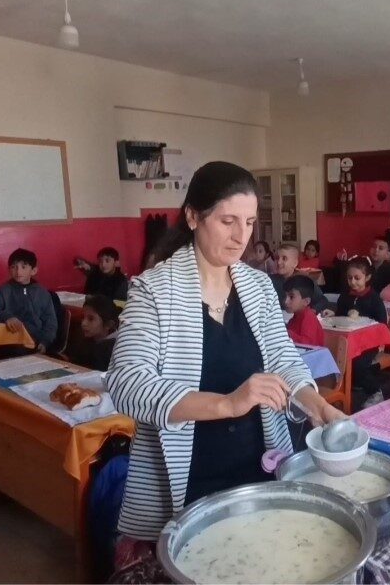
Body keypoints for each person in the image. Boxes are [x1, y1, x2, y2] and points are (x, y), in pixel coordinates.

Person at [105, 162, 345, 573]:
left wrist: (314, 404)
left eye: (250, 222)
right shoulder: (154, 290)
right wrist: (227, 404)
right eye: (228, 220)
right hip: (187, 479)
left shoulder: (257, 287)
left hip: (260, 467)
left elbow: (284, 359)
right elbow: (127, 383)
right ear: (194, 216)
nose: (241, 236)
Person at [323, 257, 388, 408]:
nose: (353, 282)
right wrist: (332, 315)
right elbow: (340, 315)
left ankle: (375, 391)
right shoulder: (345, 296)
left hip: (368, 342)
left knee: (357, 364)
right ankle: (338, 389)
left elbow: (382, 323)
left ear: (368, 277)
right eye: (349, 278)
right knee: (331, 356)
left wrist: (380, 342)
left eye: (357, 278)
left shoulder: (374, 299)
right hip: (346, 340)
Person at [0, 248, 58, 353]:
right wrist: (6, 316)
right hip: (9, 343)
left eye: (23, 267)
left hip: (35, 342)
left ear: (34, 270)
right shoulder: (4, 290)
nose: (18, 271)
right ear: (9, 270)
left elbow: (51, 322)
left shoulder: (42, 293)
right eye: (14, 267)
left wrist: (45, 342)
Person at [66, 295, 120, 371]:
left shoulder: (116, 349)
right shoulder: (87, 340)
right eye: (83, 317)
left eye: (91, 319)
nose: (83, 323)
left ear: (109, 324)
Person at [269, 243, 327, 313]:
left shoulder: (304, 281)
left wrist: (312, 311)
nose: (279, 262)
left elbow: (322, 300)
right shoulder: (269, 280)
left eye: (284, 258)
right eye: (277, 258)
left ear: (295, 263)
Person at [284, 275, 325, 346]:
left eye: (291, 297)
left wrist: (286, 333)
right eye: (285, 296)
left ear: (306, 301)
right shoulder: (293, 320)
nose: (286, 301)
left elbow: (307, 344)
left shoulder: (309, 317)